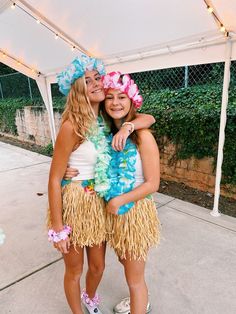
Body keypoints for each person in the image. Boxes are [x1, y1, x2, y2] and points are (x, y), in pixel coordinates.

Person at [47, 54, 155, 314]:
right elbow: (53, 177)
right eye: (87, 80)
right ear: (77, 88)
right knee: (74, 269)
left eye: (97, 78)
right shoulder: (71, 126)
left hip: (98, 202)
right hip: (74, 202)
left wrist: (127, 127)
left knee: (98, 267)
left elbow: (147, 118)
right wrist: (58, 227)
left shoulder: (107, 122)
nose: (95, 83)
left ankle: (91, 297)